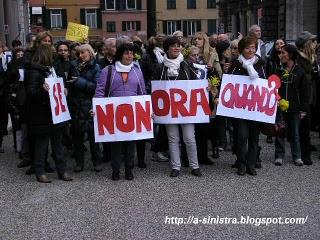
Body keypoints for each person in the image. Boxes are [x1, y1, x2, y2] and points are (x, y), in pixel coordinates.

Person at [95, 43, 147, 180]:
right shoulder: (108, 70)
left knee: (130, 144)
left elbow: (142, 93)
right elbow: (100, 91)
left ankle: (129, 169)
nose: (129, 56)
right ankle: (116, 170)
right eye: (126, 53)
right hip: (114, 112)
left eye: (131, 53)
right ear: (120, 55)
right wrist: (96, 108)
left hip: (132, 113)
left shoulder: (137, 71)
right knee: (116, 144)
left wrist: (148, 111)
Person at [154, 36, 202, 177]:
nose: (177, 48)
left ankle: (195, 165)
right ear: (167, 48)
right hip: (169, 109)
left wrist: (205, 87)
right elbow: (155, 87)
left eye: (179, 45)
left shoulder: (186, 65)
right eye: (173, 45)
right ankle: (176, 166)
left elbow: (196, 82)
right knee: (173, 138)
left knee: (189, 138)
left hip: (185, 109)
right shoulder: (161, 67)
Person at [24, 45, 72, 183]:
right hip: (42, 115)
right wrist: (42, 90)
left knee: (58, 144)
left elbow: (60, 84)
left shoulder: (52, 70)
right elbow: (31, 93)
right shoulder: (35, 72)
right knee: (42, 145)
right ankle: (40, 172)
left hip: (56, 114)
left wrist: (64, 90)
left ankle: (62, 171)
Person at [228, 36, 266, 176]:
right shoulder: (235, 64)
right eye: (248, 47)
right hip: (240, 108)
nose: (251, 50)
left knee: (254, 138)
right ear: (242, 49)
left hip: (256, 108)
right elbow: (228, 83)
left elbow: (265, 83)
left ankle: (251, 164)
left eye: (253, 47)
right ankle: (241, 163)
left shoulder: (261, 64)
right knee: (242, 136)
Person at [68, 44, 102, 172]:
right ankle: (79, 163)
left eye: (84, 52)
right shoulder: (73, 65)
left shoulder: (96, 67)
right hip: (76, 105)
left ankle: (96, 161)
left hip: (89, 105)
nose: (81, 55)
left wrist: (79, 82)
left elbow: (97, 87)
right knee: (77, 137)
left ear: (90, 53)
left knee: (93, 137)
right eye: (79, 53)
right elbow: (69, 83)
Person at [274, 44, 308, 166]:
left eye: (283, 53)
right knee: (279, 131)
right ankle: (279, 155)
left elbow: (305, 92)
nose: (281, 55)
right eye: (280, 52)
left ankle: (297, 156)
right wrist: (276, 99)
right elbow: (273, 87)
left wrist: (303, 109)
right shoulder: (279, 70)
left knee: (295, 132)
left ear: (291, 55)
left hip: (294, 107)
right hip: (279, 106)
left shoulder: (300, 71)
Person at [295, 31, 318, 165]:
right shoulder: (299, 59)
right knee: (304, 125)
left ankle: (307, 147)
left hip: (313, 95)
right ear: (306, 44)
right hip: (304, 96)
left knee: (310, 123)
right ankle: (305, 153)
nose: (315, 44)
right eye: (312, 41)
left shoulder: (313, 57)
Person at [265, 38, 286, 144]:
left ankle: (281, 131)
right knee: (272, 110)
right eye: (277, 44)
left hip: (284, 86)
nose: (279, 45)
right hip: (273, 86)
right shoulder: (270, 59)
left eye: (281, 43)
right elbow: (268, 72)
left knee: (282, 110)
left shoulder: (287, 58)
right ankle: (270, 133)